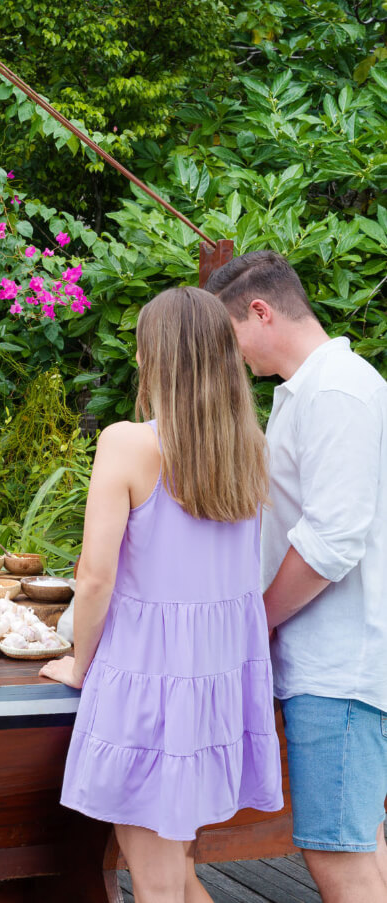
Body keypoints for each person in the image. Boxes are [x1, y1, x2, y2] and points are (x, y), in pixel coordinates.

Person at [40, 287, 283, 903]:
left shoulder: (128, 442)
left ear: (155, 357)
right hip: (215, 682)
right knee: (171, 871)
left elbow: (95, 578)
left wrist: (77, 663)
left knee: (152, 880)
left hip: (149, 679)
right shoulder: (248, 448)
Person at [204, 250, 387, 903]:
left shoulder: (336, 388)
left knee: (337, 852)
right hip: (326, 661)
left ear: (260, 311)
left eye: (230, 338)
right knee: (359, 841)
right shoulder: (309, 388)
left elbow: (333, 538)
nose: (233, 357)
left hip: (336, 665)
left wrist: (255, 620)